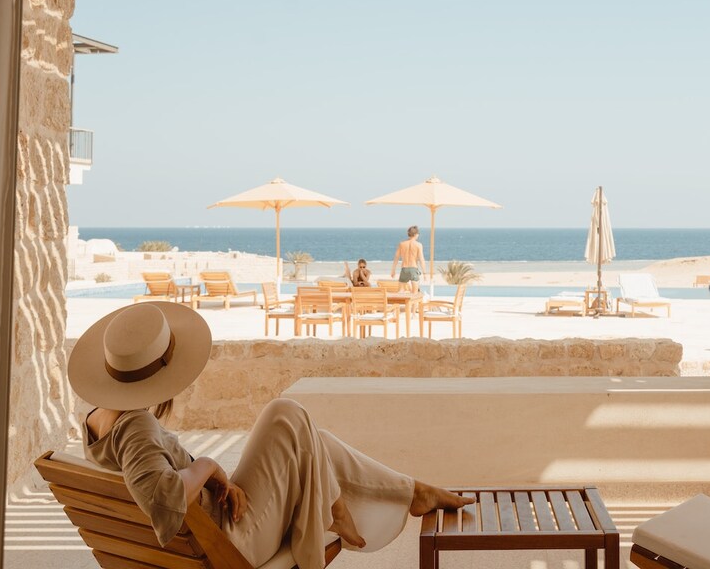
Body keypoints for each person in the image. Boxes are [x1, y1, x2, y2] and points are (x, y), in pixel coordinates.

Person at [67, 302, 471, 569]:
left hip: (216, 526)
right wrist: (207, 466)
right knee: (287, 414)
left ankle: (403, 492)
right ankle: (342, 507)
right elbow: (161, 499)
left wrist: (209, 478)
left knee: (314, 440)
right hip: (229, 542)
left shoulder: (98, 421)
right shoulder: (135, 426)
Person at [391, 225, 426, 292]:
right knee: (414, 293)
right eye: (418, 234)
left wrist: (393, 270)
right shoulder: (418, 245)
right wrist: (424, 273)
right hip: (413, 269)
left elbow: (396, 258)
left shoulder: (402, 244)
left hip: (404, 269)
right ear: (415, 234)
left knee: (401, 291)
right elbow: (421, 259)